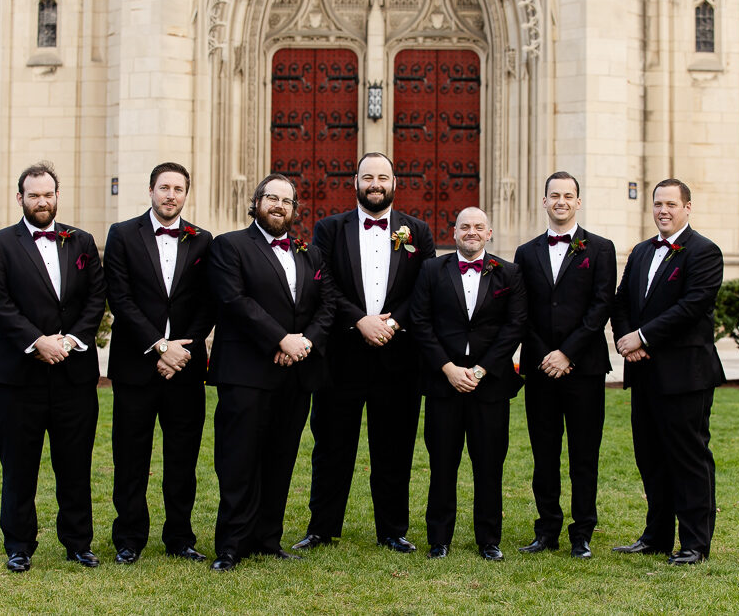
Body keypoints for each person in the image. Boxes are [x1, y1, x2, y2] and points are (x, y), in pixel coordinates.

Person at [292, 152, 435, 555]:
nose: (375, 183)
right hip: (341, 357)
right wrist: (360, 321)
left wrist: (391, 323)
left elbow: (425, 288)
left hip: (398, 357)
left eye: (383, 177)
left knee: (395, 447)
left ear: (394, 183)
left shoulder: (418, 232)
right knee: (332, 446)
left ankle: (392, 530)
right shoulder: (329, 229)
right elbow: (324, 283)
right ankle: (322, 528)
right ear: (355, 181)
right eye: (368, 176)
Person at [0, 161, 107, 572]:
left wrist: (69, 341)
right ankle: (18, 544)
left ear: (57, 196)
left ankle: (78, 542)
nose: (42, 201)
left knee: (75, 464)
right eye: (33, 195)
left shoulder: (81, 241)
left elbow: (95, 299)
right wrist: (38, 342)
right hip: (18, 377)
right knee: (19, 465)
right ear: (20, 198)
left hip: (73, 374)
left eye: (48, 194)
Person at [206, 173, 334, 571]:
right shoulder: (230, 246)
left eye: (287, 201)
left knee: (281, 457)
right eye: (272, 198)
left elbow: (326, 305)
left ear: (295, 209)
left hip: (295, 374)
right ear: (257, 202)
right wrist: (281, 340)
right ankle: (231, 544)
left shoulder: (309, 253)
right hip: (246, 372)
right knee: (238, 458)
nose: (279, 206)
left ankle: (267, 538)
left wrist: (304, 343)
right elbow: (235, 301)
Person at [104, 162, 214, 565]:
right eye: (164, 188)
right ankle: (129, 538)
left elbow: (209, 301)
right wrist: (157, 344)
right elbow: (120, 297)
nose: (171, 195)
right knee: (131, 457)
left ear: (186, 194)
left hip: (185, 368)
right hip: (137, 365)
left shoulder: (203, 240)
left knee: (182, 459)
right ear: (150, 190)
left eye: (178, 189)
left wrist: (182, 350)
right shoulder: (122, 235)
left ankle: (180, 537)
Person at [610, 178, 724, 565]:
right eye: (658, 204)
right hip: (644, 374)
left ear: (687, 208)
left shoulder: (705, 252)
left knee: (688, 457)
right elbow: (622, 299)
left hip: (685, 374)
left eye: (671, 204)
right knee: (651, 456)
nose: (663, 210)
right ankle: (656, 536)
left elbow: (692, 306)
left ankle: (695, 542)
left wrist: (642, 337)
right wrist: (626, 337)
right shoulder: (641, 251)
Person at [409, 207, 527, 561]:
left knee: (489, 464)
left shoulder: (510, 273)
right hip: (444, 384)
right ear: (454, 232)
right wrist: (447, 368)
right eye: (465, 227)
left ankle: (489, 539)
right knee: (443, 462)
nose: (471, 232)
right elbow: (420, 321)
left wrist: (480, 370)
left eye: (478, 227)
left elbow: (515, 326)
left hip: (489, 387)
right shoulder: (432, 269)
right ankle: (439, 539)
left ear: (489, 233)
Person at [513, 171, 616, 560]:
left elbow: (601, 306)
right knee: (544, 453)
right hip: (541, 369)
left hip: (584, 368)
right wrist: (545, 355)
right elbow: (521, 312)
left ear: (578, 202)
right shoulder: (526, 252)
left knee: (584, 453)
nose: (560, 201)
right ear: (544, 202)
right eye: (554, 195)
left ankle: (583, 531)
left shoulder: (601, 249)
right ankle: (547, 529)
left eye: (568, 196)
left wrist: (567, 353)